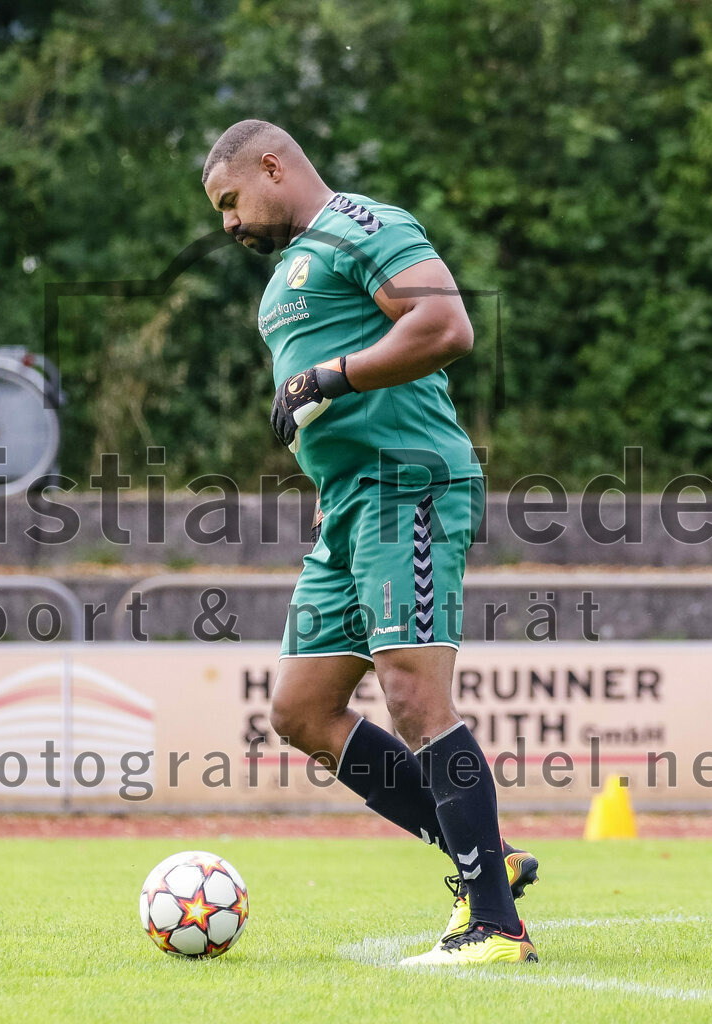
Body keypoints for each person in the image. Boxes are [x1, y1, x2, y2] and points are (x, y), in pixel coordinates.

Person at [202, 119, 538, 966]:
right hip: (349, 506)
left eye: (232, 201)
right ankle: (487, 859)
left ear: (273, 166)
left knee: (414, 696)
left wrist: (332, 373)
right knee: (302, 710)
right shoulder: (288, 272)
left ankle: (493, 924)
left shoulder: (360, 224)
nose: (230, 224)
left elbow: (447, 326)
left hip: (408, 485)